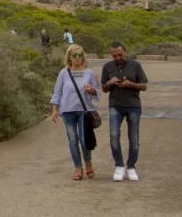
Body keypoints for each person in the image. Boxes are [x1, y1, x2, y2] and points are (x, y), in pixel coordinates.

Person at [50, 44, 100, 180]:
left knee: (84, 140)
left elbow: (97, 93)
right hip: (68, 111)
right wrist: (55, 110)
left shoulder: (89, 73)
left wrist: (92, 90)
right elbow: (57, 92)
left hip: (84, 111)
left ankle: (88, 163)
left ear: (83, 57)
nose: (77, 58)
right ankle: (78, 168)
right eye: (74, 55)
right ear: (69, 57)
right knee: (73, 140)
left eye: (80, 55)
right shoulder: (63, 73)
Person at [101, 41, 148, 182]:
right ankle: (119, 166)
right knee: (114, 136)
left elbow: (144, 86)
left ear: (125, 52)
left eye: (120, 55)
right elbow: (103, 88)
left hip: (133, 106)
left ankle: (131, 167)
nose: (117, 58)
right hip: (115, 106)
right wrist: (110, 82)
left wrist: (130, 84)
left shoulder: (136, 65)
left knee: (134, 139)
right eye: (114, 55)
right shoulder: (107, 67)